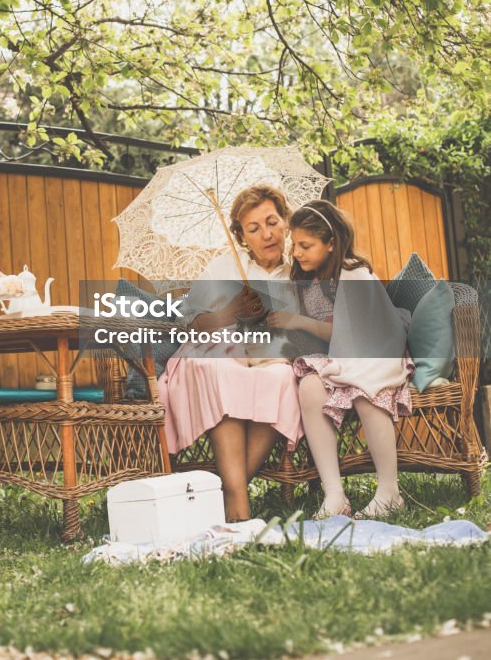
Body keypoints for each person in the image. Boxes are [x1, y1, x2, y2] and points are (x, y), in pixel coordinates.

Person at [158, 184, 303, 522]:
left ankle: (224, 494)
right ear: (241, 236)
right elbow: (189, 325)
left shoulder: (300, 270)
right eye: (253, 229)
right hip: (215, 354)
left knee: (282, 379)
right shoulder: (224, 267)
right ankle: (238, 502)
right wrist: (231, 312)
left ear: (285, 222)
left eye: (272, 222)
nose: (266, 234)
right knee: (223, 371)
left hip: (272, 358)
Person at [272, 200, 412, 520]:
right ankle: (334, 494)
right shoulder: (307, 280)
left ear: (331, 243)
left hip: (371, 351)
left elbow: (363, 329)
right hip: (335, 357)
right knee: (308, 386)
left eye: (306, 245)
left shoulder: (353, 272)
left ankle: (390, 492)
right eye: (296, 245)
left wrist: (298, 322)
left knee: (366, 390)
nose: (297, 252)